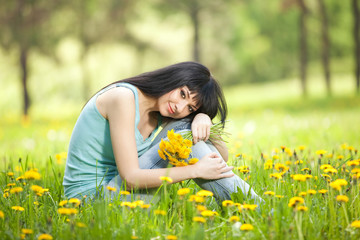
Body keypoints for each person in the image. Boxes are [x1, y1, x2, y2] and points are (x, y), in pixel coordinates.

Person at [63, 61, 262, 204]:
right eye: (182, 94)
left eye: (191, 108)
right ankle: (254, 207)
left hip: (117, 194)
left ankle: (245, 205)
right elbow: (131, 178)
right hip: (89, 202)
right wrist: (195, 170)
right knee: (183, 132)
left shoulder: (158, 115)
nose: (180, 106)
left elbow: (222, 157)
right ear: (173, 79)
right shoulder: (122, 98)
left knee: (186, 129)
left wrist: (202, 119)